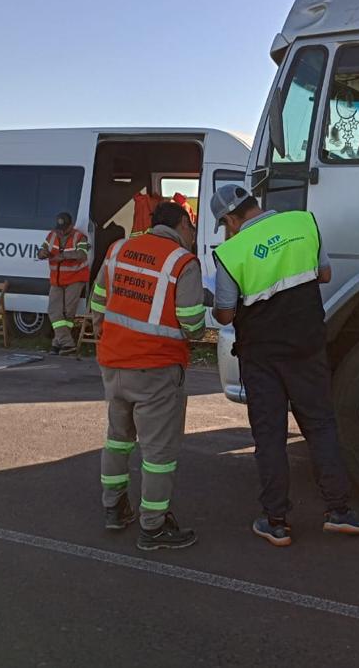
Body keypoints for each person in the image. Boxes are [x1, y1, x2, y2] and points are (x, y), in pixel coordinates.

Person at [210, 185, 359, 547]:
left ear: (231, 219)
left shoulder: (231, 253)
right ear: (255, 204)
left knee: (270, 437)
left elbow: (225, 312)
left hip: (261, 356)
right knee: (320, 427)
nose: (227, 230)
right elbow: (324, 274)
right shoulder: (304, 223)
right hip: (308, 347)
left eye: (225, 224)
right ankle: (339, 512)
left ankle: (276, 521)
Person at [90, 201, 206, 551]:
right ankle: (153, 528)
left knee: (118, 438)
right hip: (156, 370)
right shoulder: (182, 262)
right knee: (158, 454)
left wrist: (106, 338)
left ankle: (114, 508)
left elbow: (98, 302)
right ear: (183, 223)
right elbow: (192, 323)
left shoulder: (118, 249)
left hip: (113, 363)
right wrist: (196, 333)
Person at [37, 212, 90, 355]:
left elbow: (82, 255)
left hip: (75, 279)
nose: (61, 231)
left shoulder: (79, 237)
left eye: (64, 228)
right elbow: (42, 249)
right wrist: (42, 254)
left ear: (71, 226)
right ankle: (67, 343)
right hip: (56, 280)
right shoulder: (52, 235)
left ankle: (57, 343)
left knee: (68, 313)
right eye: (59, 228)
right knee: (54, 311)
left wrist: (63, 256)